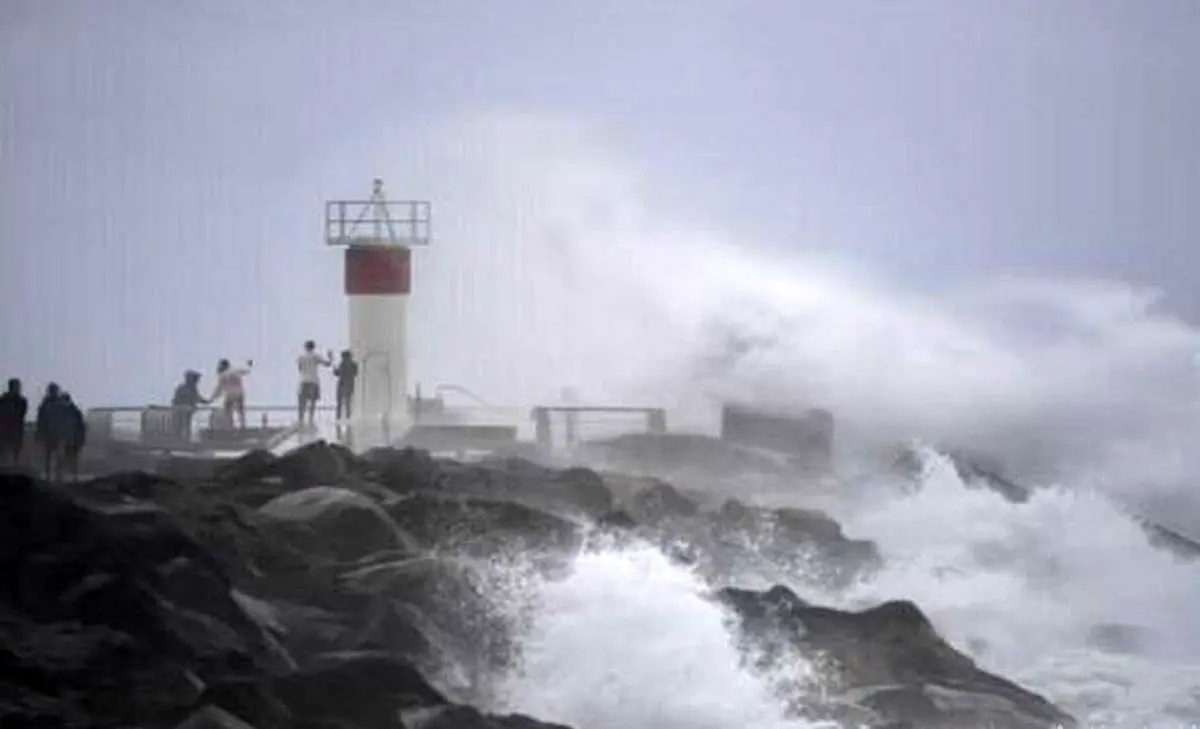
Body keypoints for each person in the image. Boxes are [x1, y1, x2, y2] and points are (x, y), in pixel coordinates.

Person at [35, 383, 73, 481]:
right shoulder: (45, 403)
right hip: (49, 433)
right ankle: (49, 475)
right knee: (49, 456)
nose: (53, 392)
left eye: (54, 390)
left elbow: (67, 419)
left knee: (59, 456)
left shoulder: (61, 403)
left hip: (59, 433)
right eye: (52, 390)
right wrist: (40, 432)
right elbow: (41, 419)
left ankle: (58, 475)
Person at [297, 341, 332, 426]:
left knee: (302, 403)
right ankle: (310, 419)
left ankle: (300, 419)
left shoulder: (300, 357)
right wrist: (330, 357)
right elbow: (327, 364)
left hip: (303, 381)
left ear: (305, 347)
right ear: (313, 347)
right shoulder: (315, 356)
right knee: (312, 402)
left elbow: (300, 369)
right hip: (313, 381)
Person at [209, 359, 252, 429]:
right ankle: (243, 425)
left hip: (231, 395)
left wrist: (211, 399)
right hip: (239, 393)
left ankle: (230, 424)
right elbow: (245, 371)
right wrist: (249, 366)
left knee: (228, 410)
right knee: (240, 410)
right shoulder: (234, 371)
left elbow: (219, 390)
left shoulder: (223, 375)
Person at [171, 370, 209, 439]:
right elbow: (177, 401)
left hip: (188, 413)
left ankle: (185, 438)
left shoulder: (192, 389)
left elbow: (197, 398)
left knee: (187, 427)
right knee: (181, 426)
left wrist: (206, 401)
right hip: (181, 412)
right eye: (195, 379)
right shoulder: (182, 388)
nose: (197, 381)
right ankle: (180, 438)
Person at [0, 378, 28, 466]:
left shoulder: (22, 401)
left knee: (16, 451)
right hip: (4, 429)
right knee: (2, 451)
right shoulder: (3, 399)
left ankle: (15, 469)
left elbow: (22, 414)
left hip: (16, 429)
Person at [59, 392, 86, 481]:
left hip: (73, 438)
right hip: (64, 438)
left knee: (72, 458)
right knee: (63, 458)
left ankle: (73, 475)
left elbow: (81, 426)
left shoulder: (74, 411)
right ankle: (62, 475)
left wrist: (80, 439)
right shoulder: (61, 411)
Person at [333, 350, 358, 422]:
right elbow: (355, 373)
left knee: (340, 403)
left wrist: (335, 369)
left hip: (342, 384)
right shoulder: (353, 364)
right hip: (349, 385)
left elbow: (337, 373)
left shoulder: (343, 364)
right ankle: (348, 417)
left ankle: (339, 418)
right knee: (348, 403)